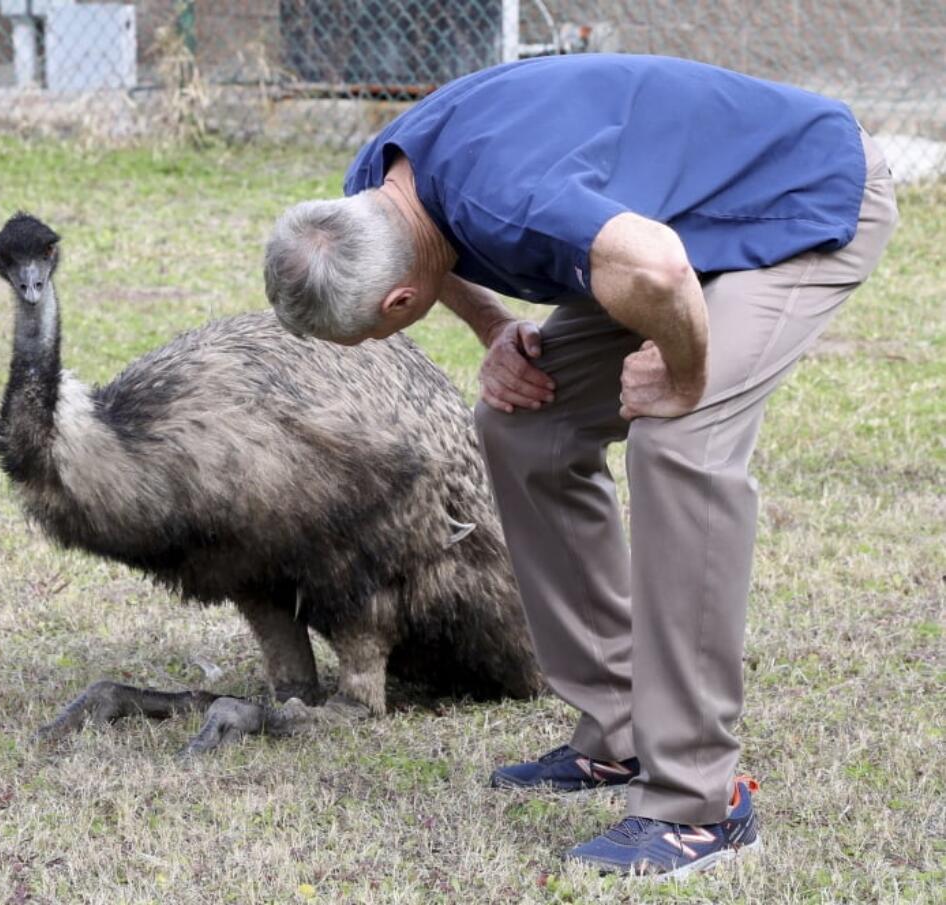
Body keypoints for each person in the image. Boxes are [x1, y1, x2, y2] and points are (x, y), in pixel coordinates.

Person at [262, 54, 898, 878]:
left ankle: (699, 804)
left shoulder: (515, 199)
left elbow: (660, 267)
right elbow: (435, 253)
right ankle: (621, 732)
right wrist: (496, 332)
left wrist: (683, 373)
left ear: (397, 305)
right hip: (680, 219)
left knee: (682, 440)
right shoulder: (374, 194)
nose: (386, 341)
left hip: (796, 201)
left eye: (380, 334)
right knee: (526, 426)